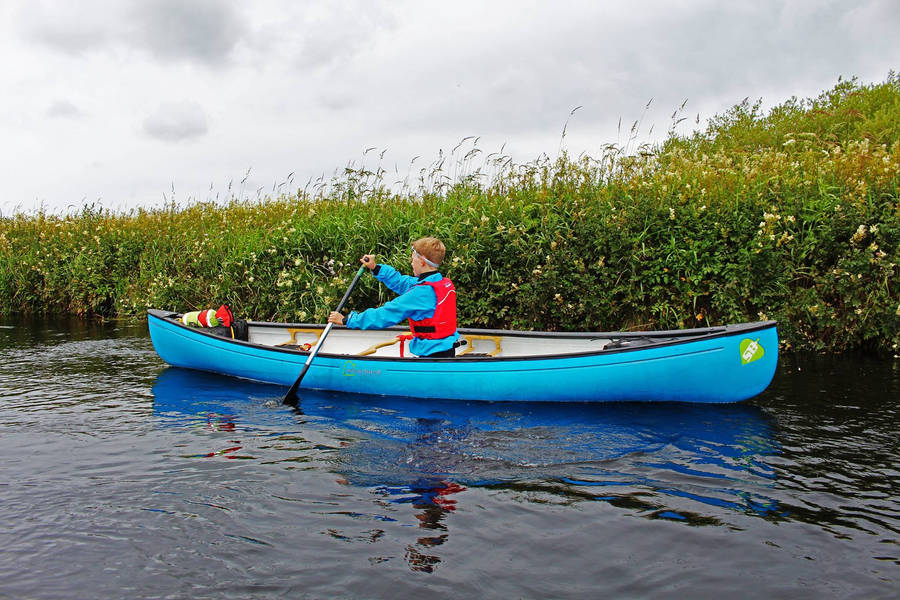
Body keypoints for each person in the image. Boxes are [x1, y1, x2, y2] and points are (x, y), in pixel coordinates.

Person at [327, 237, 459, 358]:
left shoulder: (421, 293)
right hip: (446, 348)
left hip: (432, 354)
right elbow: (400, 282)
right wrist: (375, 268)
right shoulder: (439, 283)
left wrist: (348, 320)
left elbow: (385, 314)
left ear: (422, 262)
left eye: (413, 259)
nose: (411, 263)